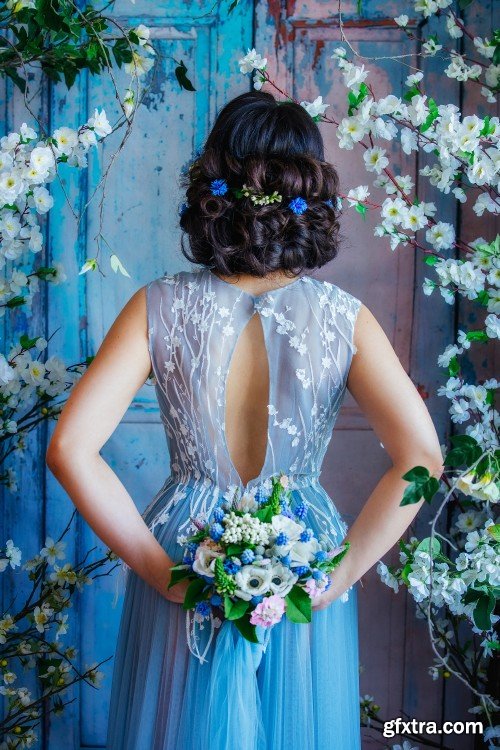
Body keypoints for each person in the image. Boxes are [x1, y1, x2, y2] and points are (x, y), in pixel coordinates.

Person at [46, 90, 444, 750]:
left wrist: (158, 569)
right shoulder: (345, 318)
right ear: (305, 198)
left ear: (213, 191)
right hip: (298, 558)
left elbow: (68, 448)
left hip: (185, 551)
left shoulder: (157, 306)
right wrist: (338, 573)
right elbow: (423, 460)